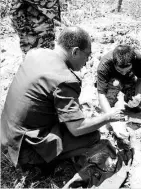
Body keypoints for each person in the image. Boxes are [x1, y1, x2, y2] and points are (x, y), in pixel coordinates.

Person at [0, 27, 125, 169]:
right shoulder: (65, 80)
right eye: (87, 55)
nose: (86, 61)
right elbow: (77, 128)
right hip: (23, 149)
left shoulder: (36, 53)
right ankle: (43, 162)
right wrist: (108, 117)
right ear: (75, 52)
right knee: (92, 136)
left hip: (6, 135)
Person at [96, 45, 141, 141]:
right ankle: (109, 122)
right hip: (112, 81)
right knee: (108, 105)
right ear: (113, 63)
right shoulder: (104, 65)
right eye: (119, 70)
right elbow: (101, 94)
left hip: (129, 78)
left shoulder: (138, 58)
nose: (123, 73)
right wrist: (110, 117)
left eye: (126, 69)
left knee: (134, 101)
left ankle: (132, 104)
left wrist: (138, 95)